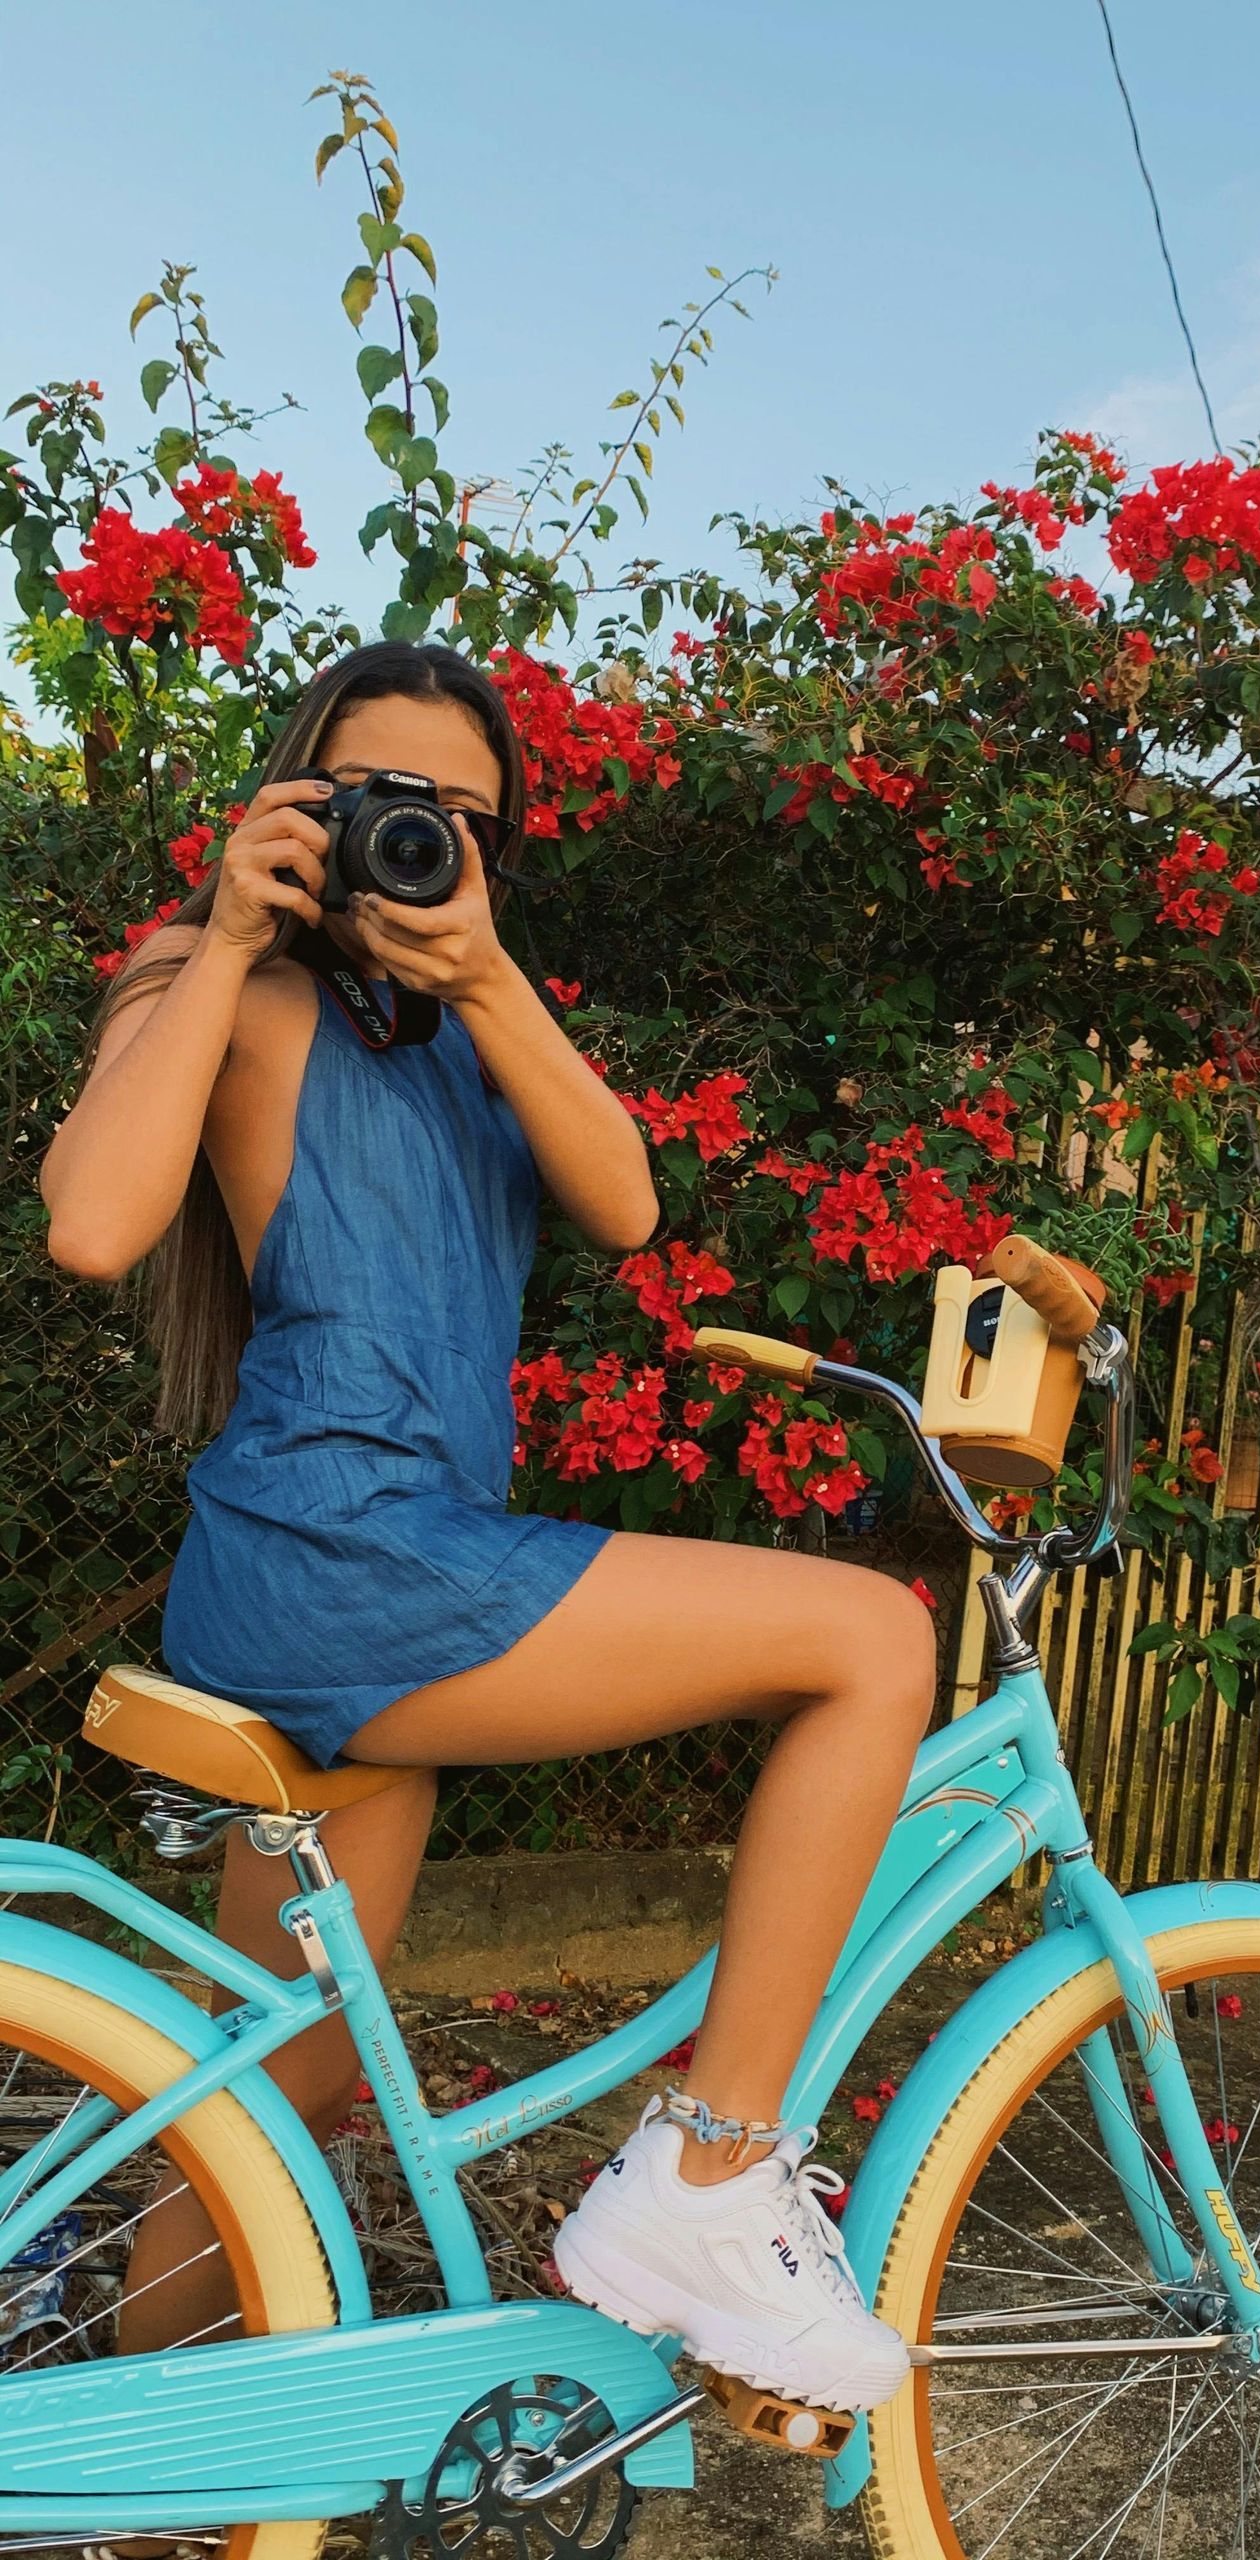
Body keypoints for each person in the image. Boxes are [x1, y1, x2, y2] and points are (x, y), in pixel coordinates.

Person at [41, 642, 929, 2414]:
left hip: (360, 1574)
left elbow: (625, 1200)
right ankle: (710, 2176)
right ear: (301, 793)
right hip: (345, 1561)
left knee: (287, 2084)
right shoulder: (221, 984)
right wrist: (220, 939)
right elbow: (92, 1225)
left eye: (465, 820)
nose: (417, 838)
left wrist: (495, 976)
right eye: (382, 796)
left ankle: (119, 2496)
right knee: (875, 1638)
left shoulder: (469, 1028)